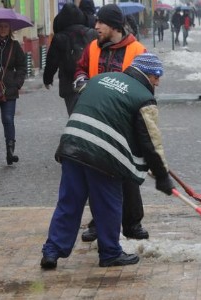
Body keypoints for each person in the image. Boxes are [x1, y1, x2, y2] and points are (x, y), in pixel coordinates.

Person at [40, 53, 175, 270]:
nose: (158, 82)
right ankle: (110, 253)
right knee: (108, 205)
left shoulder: (101, 79)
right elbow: (150, 141)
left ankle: (51, 251)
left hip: (72, 145)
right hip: (103, 156)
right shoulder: (143, 97)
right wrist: (162, 176)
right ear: (146, 73)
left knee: (69, 203)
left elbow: (107, 113)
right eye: (156, 76)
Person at [73, 3, 150, 243]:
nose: (95, 26)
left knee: (128, 173)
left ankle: (132, 222)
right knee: (99, 173)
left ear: (114, 26)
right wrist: (81, 81)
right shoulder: (92, 48)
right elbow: (80, 69)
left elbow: (147, 85)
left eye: (101, 23)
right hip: (98, 121)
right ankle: (99, 222)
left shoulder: (138, 50)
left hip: (125, 121)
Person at [43, 3, 97, 115]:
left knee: (74, 113)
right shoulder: (92, 33)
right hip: (90, 79)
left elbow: (52, 61)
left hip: (69, 82)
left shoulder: (59, 37)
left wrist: (47, 79)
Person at [0, 21, 27, 165]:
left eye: (5, 26)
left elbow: (22, 66)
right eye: (0, 26)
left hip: (9, 89)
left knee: (8, 120)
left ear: (9, 29)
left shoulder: (14, 46)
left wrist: (17, 83)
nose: (3, 29)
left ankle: (10, 152)